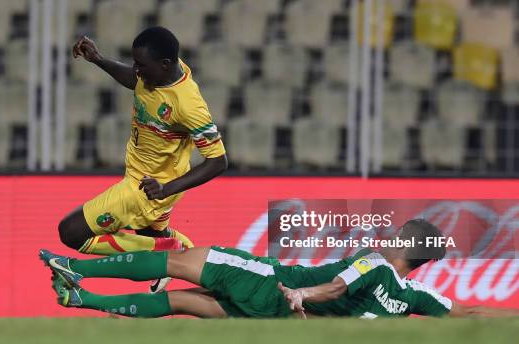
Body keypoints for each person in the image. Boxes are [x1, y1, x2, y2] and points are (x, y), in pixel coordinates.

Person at [39, 219, 519, 318]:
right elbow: (474, 312)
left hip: (273, 283)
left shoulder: (373, 261)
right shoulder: (414, 298)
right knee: (184, 304)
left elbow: (333, 286)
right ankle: (83, 299)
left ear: (399, 243)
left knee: (177, 262)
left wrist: (303, 294)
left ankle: (74, 265)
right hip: (279, 319)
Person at [59, 27, 228, 292]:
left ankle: (172, 251)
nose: (136, 70)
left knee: (71, 232)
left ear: (164, 64)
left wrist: (164, 189)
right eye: (135, 62)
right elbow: (133, 79)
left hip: (148, 186)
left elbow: (218, 161)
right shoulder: (161, 73)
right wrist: (98, 59)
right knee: (148, 235)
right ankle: (170, 248)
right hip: (151, 179)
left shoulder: (189, 106)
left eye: (141, 65)